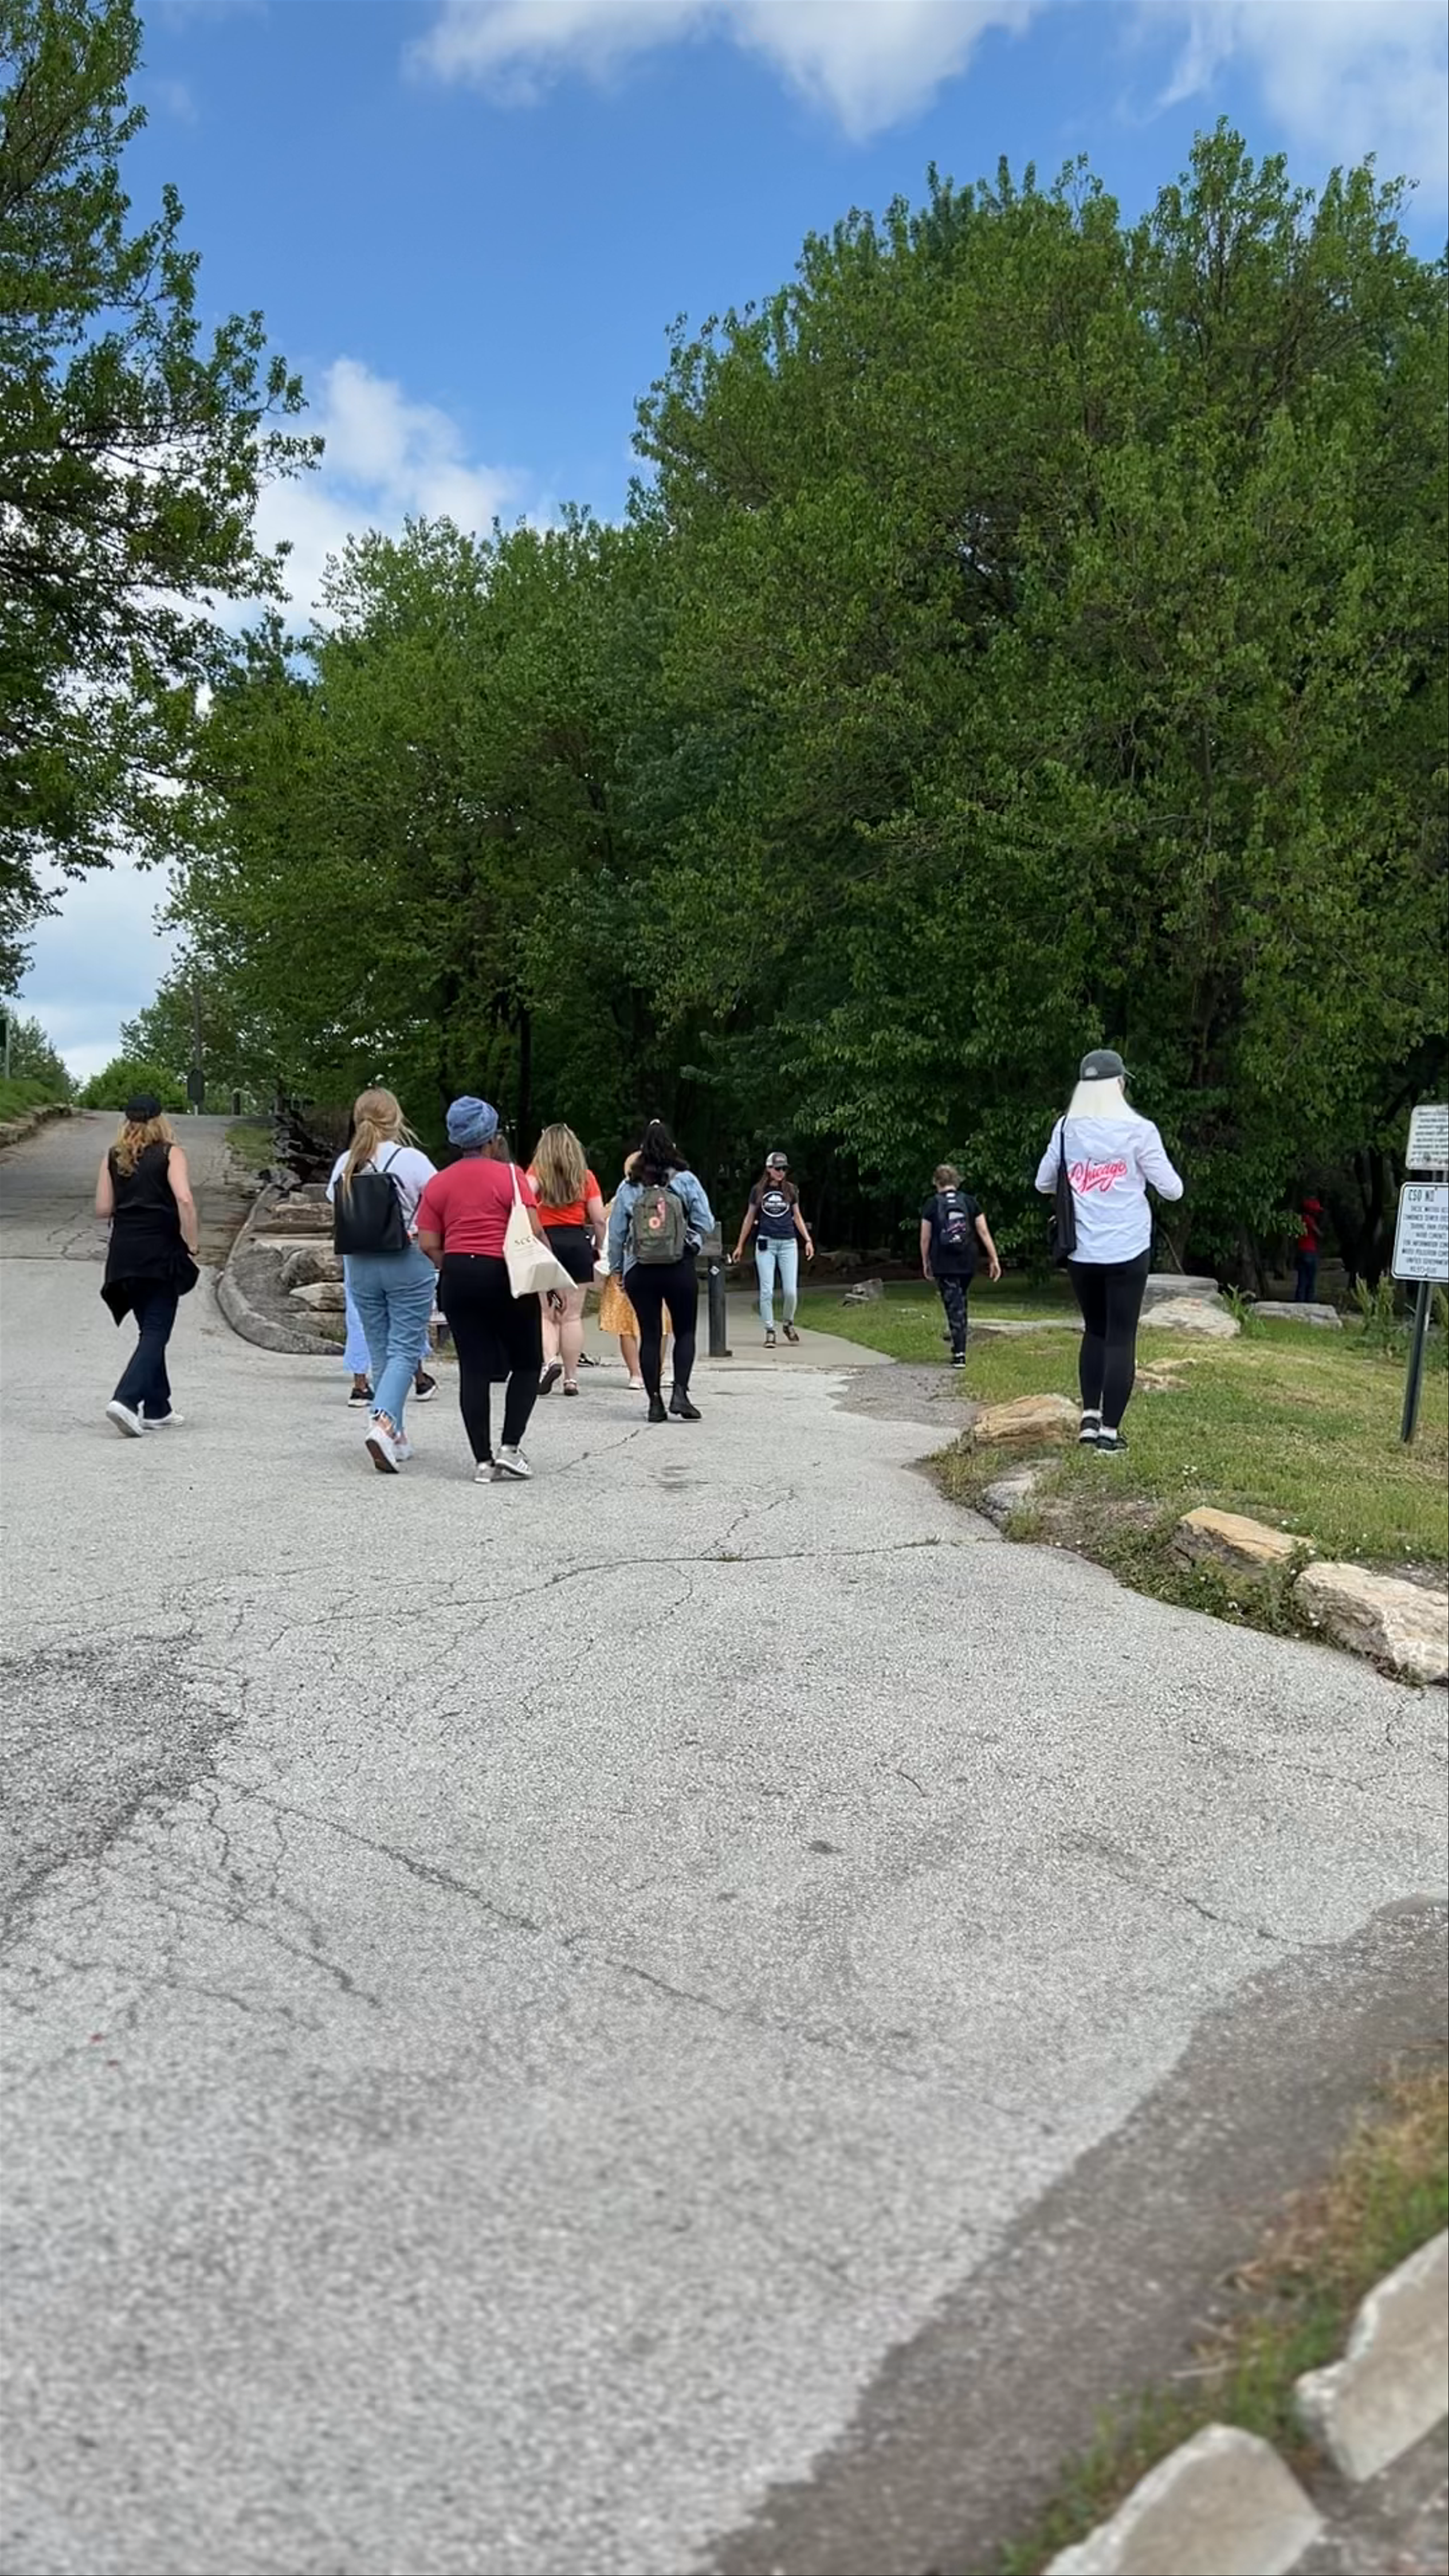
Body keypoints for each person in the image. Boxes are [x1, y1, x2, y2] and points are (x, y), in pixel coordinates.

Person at [1035, 1050, 1183, 1455]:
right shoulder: (1140, 1130)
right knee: (1121, 1337)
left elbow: (1043, 1182)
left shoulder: (1066, 1128)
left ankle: (1089, 1419)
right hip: (1128, 1249)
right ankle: (1110, 1435)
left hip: (1082, 1249)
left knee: (1095, 1330)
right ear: (1119, 1084)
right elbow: (1172, 1189)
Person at [414, 1096, 564, 1483]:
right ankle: (510, 1447)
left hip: (459, 1276)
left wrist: (459, 1266)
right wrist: (550, 1281)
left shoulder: (438, 1183)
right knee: (528, 1363)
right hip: (506, 1275)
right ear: (491, 1138)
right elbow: (534, 1232)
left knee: (475, 1369)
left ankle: (482, 1462)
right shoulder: (513, 1176)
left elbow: (429, 1243)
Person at [327, 1088, 437, 1474]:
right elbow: (437, 1200)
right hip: (406, 1260)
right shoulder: (412, 1160)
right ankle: (384, 1422)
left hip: (361, 1263)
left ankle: (398, 1436)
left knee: (379, 1348)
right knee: (406, 1348)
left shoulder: (346, 1162)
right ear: (397, 1118)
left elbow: (335, 1205)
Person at [96, 1093, 201, 1435]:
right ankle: (126, 1400)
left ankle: (158, 1407)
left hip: (124, 1254)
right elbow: (184, 1198)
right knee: (157, 1331)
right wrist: (193, 1242)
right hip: (159, 1252)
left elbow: (103, 1207)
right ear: (161, 1121)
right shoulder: (171, 1153)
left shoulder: (112, 1157)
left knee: (149, 1330)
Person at [606, 1120, 714, 1424]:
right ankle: (680, 1392)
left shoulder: (629, 1186)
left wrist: (618, 1270)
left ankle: (655, 1402)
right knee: (685, 1331)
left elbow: (616, 1234)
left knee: (650, 1335)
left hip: (641, 1268)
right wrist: (689, 1242)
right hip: (678, 1266)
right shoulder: (686, 1180)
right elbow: (706, 1221)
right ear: (672, 1147)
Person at [528, 1123, 607, 1396]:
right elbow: (598, 1218)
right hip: (576, 1244)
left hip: (545, 1243)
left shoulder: (538, 1173)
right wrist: (598, 1244)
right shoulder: (585, 1177)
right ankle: (571, 1379)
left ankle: (550, 1361)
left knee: (547, 1314)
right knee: (572, 1316)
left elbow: (523, 1196)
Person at [918, 1164, 1001, 1366]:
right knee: (960, 1301)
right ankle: (959, 1346)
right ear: (957, 1181)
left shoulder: (932, 1204)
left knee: (953, 1305)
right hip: (967, 1261)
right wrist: (994, 1259)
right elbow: (983, 1232)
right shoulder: (970, 1202)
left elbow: (925, 1238)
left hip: (944, 1261)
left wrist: (926, 1261)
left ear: (937, 1182)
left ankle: (960, 1353)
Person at [597, 1155, 667, 1392]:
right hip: (662, 1263)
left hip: (630, 1264)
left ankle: (636, 1373)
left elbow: (613, 1232)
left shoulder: (623, 1194)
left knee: (626, 1323)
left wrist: (615, 1268)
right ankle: (657, 1370)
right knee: (661, 1322)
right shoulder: (669, 1192)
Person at [731, 1151, 815, 1346]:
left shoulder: (791, 1190)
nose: (781, 1172)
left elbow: (798, 1216)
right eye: (778, 1169)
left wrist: (808, 1240)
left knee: (791, 1292)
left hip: (788, 1243)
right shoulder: (758, 1191)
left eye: (784, 1169)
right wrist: (740, 1245)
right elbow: (750, 1217)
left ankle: (788, 1323)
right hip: (766, 1242)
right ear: (769, 1169)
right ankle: (770, 1329)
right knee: (767, 1291)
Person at [341, 1278, 437, 1407]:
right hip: (400, 1262)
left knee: (359, 1316)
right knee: (407, 1313)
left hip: (360, 1262)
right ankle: (421, 1380)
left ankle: (360, 1386)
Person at [1295, 1197, 1324, 1303]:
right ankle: (1309, 1301)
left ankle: (1300, 1301)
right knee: (1311, 1280)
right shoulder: (1308, 1220)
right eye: (1316, 1211)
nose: (1318, 1213)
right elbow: (1318, 1234)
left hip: (1301, 1251)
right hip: (1310, 1252)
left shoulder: (1299, 1220)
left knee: (1302, 1279)